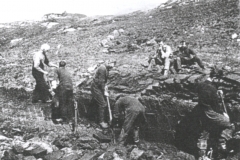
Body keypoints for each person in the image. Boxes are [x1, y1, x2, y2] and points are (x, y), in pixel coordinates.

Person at [195, 67, 234, 159]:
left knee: (205, 131)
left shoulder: (201, 85)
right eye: (218, 79)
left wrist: (217, 89)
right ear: (215, 78)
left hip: (201, 111)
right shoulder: (212, 90)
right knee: (229, 125)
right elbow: (216, 107)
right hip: (210, 112)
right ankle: (221, 146)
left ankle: (202, 156)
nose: (219, 81)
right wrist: (223, 114)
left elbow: (207, 88)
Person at [91, 60, 115, 129]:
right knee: (103, 104)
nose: (112, 66)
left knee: (99, 102)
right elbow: (101, 81)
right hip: (96, 87)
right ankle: (101, 121)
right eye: (111, 64)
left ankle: (95, 117)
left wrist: (105, 86)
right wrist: (104, 91)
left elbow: (103, 80)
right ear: (107, 62)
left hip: (98, 86)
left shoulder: (106, 69)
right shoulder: (102, 68)